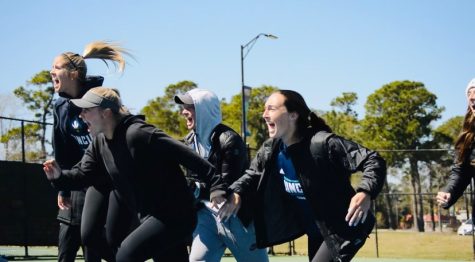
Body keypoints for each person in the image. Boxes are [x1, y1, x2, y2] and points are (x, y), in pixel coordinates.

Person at [44, 87, 225, 261]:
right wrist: (59, 177)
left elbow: (188, 156)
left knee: (126, 256)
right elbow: (82, 175)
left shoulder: (138, 134)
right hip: (147, 215)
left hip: (174, 215)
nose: (81, 116)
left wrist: (217, 186)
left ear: (105, 113)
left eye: (87, 110)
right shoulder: (99, 143)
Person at [218, 90, 387, 262]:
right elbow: (253, 174)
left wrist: (365, 192)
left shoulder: (322, 144)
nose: (264, 114)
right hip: (316, 231)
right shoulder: (272, 149)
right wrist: (237, 191)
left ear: (293, 115)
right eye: (264, 109)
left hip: (346, 226)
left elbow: (372, 159)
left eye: (271, 109)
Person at [50, 41, 129, 262]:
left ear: (74, 74)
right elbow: (62, 149)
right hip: (77, 180)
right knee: (66, 247)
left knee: (93, 243)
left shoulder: (100, 98)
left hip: (104, 182)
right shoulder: (60, 107)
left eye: (57, 67)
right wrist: (63, 186)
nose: (51, 71)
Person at [174, 89, 269, 262]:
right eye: (184, 107)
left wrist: (190, 189)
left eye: (190, 107)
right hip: (206, 217)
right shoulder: (189, 141)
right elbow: (193, 181)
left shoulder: (229, 139)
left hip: (236, 217)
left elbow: (225, 187)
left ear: (205, 109)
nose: (184, 111)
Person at [437, 78, 475, 221]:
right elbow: (461, 173)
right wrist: (449, 192)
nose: (472, 97)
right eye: (469, 93)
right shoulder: (468, 138)